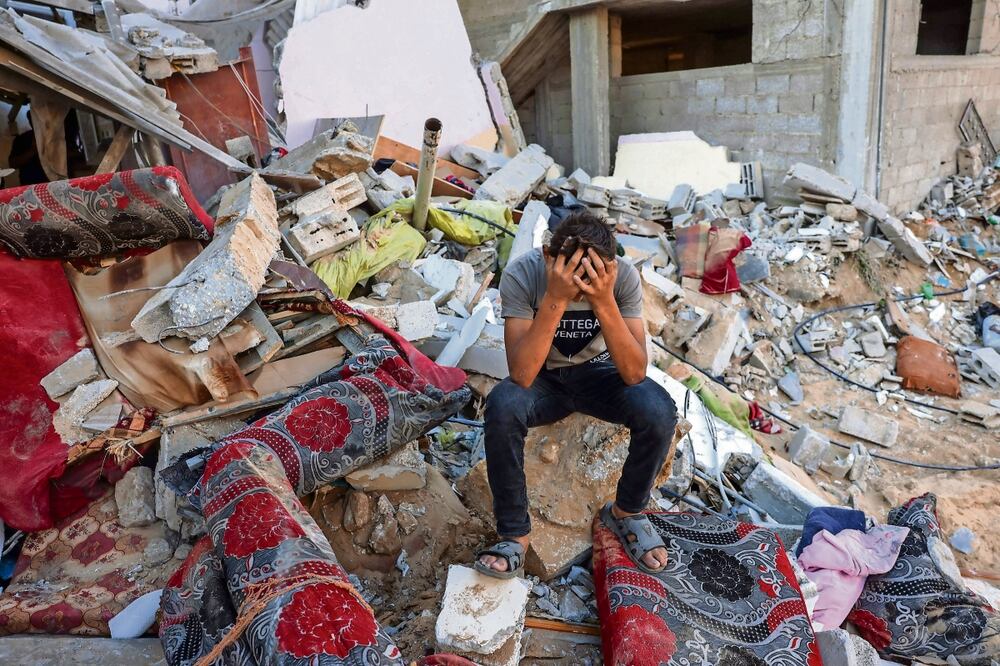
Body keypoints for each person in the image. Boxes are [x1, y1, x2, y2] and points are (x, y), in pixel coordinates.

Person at [475, 210, 678, 579]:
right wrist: (556, 297)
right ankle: (515, 535)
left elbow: (634, 372)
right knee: (503, 405)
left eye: (594, 273)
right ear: (549, 256)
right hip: (544, 379)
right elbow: (521, 374)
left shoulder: (623, 278)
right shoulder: (525, 274)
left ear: (610, 266)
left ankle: (628, 512)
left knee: (658, 409)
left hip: (601, 376)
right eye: (572, 270)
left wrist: (603, 301)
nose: (583, 281)